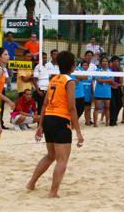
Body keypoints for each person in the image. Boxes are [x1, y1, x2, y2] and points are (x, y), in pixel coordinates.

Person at [26, 51, 84, 198]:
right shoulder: (69, 81)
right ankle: (53, 192)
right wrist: (78, 132)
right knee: (62, 159)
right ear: (73, 66)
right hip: (60, 120)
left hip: (49, 119)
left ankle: (31, 183)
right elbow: (71, 107)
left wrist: (40, 126)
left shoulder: (54, 79)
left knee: (50, 155)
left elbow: (45, 104)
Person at [93, 56, 113, 127]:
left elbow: (111, 81)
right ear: (101, 63)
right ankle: (95, 123)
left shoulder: (110, 71)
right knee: (97, 108)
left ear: (108, 63)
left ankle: (107, 123)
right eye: (103, 61)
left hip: (107, 92)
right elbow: (98, 80)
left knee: (107, 108)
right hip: (99, 92)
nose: (105, 63)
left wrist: (103, 80)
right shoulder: (97, 71)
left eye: (106, 61)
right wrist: (107, 80)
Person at [109, 56, 123, 126]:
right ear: (112, 62)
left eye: (118, 61)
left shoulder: (120, 69)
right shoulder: (110, 69)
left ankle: (114, 118)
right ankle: (112, 121)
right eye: (116, 61)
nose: (118, 62)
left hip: (117, 88)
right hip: (111, 88)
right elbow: (110, 80)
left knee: (120, 104)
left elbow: (121, 82)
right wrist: (114, 84)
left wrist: (120, 72)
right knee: (113, 105)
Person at [79, 60, 94, 126]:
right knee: (80, 109)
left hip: (88, 94)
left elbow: (91, 84)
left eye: (87, 65)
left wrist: (92, 93)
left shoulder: (90, 74)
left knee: (88, 108)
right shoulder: (79, 73)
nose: (85, 66)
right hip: (81, 94)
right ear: (81, 66)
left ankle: (87, 122)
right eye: (84, 65)